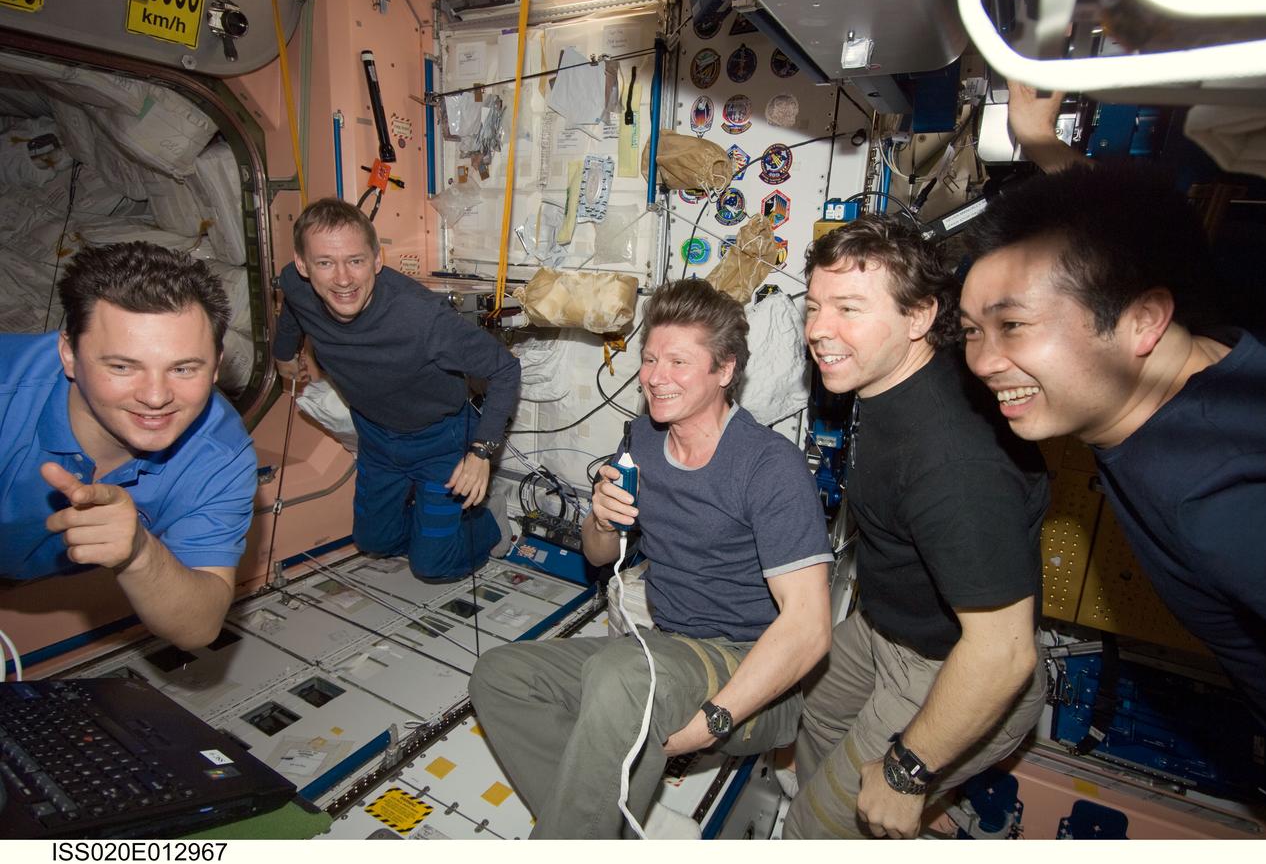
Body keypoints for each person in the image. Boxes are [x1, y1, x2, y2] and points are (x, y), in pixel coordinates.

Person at [468, 279, 834, 838]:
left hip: (753, 673)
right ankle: (595, 824)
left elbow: (809, 629)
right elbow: (598, 557)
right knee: (498, 675)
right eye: (650, 358)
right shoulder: (640, 440)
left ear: (725, 370)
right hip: (663, 651)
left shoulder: (769, 467)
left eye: (679, 362)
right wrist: (600, 517)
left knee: (619, 676)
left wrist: (711, 723)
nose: (656, 376)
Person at [960, 163, 1266, 741]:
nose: (982, 362)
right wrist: (1042, 145)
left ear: (1144, 322)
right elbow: (1130, 239)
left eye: (1012, 324)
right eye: (971, 331)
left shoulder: (1219, 503)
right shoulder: (1204, 348)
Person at [785, 217, 1050, 839]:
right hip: (883, 629)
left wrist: (905, 772)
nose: (819, 330)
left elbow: (1003, 653)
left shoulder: (951, 465)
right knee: (816, 722)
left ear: (918, 317)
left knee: (812, 832)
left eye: (850, 308)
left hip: (953, 667)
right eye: (815, 306)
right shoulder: (894, 377)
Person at [0, 243, 256, 649]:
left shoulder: (222, 455)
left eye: (184, 368)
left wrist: (139, 552)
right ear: (69, 353)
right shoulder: (6, 396)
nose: (155, 397)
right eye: (122, 366)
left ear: (216, 364)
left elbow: (200, 626)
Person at [273, 198, 520, 581]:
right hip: (375, 435)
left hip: (440, 441)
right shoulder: (294, 282)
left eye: (355, 261)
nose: (342, 279)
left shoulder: (422, 318)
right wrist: (283, 353)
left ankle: (490, 524)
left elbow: (505, 369)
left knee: (432, 567)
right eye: (325, 263)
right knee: (374, 541)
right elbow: (293, 306)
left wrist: (482, 452)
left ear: (376, 260)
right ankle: (433, 531)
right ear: (303, 265)